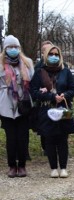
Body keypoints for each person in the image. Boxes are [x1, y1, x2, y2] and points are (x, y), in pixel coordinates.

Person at [30, 44, 74, 178]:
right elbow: (33, 92)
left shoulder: (65, 71)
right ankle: (53, 168)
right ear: (46, 56)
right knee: (49, 139)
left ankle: (63, 167)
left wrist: (64, 95)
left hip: (62, 108)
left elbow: (73, 89)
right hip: (46, 109)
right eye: (51, 54)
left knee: (62, 139)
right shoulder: (39, 72)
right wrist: (51, 96)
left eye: (56, 54)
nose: (54, 57)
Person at [0, 35, 34, 178]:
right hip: (6, 103)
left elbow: (32, 80)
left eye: (15, 47)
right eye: (10, 47)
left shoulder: (27, 63)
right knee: (11, 138)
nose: (13, 50)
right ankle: (12, 165)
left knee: (23, 137)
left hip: (23, 104)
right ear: (5, 49)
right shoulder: (1, 64)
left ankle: (22, 165)